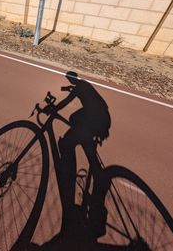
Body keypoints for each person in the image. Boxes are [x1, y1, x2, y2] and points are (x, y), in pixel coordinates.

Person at [54, 71, 111, 238]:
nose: (69, 80)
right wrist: (68, 87)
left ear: (73, 78)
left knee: (68, 139)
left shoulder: (80, 87)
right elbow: (76, 91)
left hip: (96, 118)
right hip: (102, 117)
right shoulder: (83, 84)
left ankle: (69, 169)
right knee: (82, 133)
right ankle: (96, 168)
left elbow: (68, 100)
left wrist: (54, 108)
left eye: (69, 79)